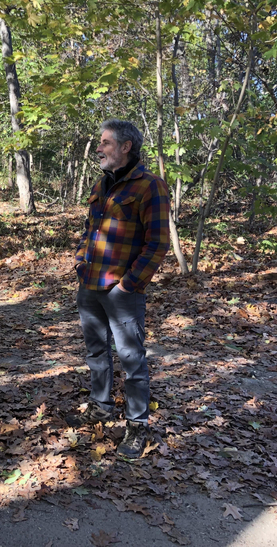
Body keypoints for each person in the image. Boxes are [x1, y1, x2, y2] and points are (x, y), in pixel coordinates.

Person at [67, 119, 170, 459]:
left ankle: (137, 426)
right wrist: (80, 262)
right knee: (96, 353)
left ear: (126, 147)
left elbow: (157, 244)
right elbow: (88, 229)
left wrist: (129, 285)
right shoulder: (102, 184)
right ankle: (100, 406)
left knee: (132, 360)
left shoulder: (149, 186)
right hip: (90, 285)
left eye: (105, 143)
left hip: (122, 292)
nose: (99, 148)